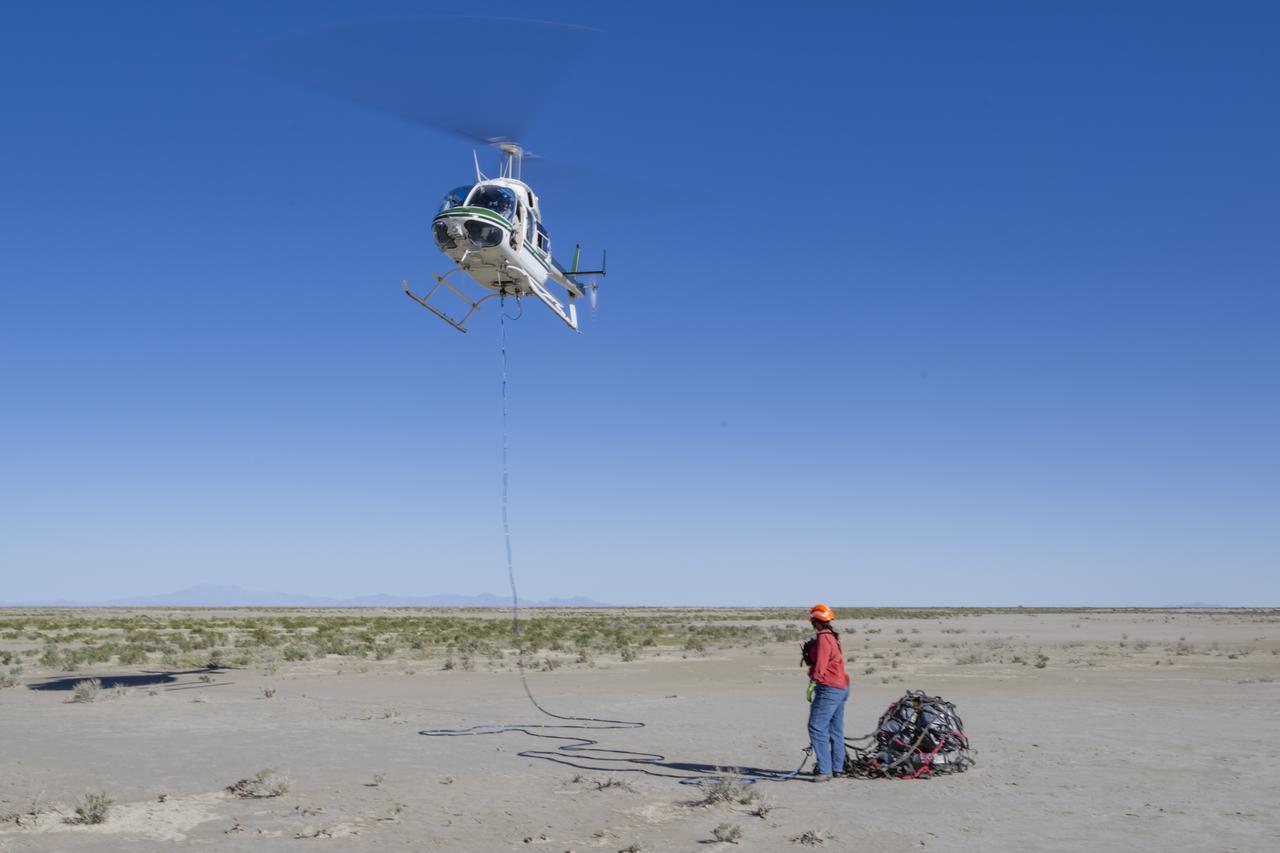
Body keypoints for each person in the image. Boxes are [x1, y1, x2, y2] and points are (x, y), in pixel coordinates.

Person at [803, 603, 849, 782]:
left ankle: (825, 770)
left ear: (816, 621)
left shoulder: (823, 638)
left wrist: (813, 681)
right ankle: (837, 767)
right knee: (835, 728)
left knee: (816, 726)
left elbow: (821, 665)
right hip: (841, 687)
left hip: (829, 688)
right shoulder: (832, 636)